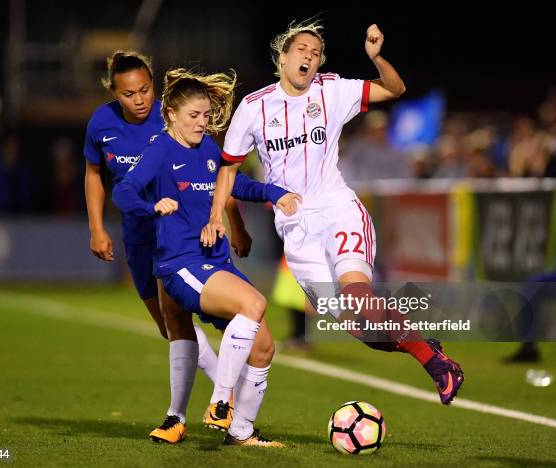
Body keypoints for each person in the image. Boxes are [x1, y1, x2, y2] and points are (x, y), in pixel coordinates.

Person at [204, 20, 465, 405]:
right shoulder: (254, 107)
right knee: (360, 330)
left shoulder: (333, 90)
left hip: (337, 210)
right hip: (295, 229)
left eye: (315, 52)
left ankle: (436, 364)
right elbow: (228, 170)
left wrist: (376, 59)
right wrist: (228, 222)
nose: (309, 57)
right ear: (282, 57)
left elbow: (395, 89)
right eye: (301, 50)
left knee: (359, 298)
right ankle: (423, 344)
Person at [113, 68, 300, 447]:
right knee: (253, 303)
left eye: (205, 116)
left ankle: (241, 432)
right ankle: (219, 403)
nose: (202, 123)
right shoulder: (161, 149)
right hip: (180, 262)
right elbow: (125, 190)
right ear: (171, 116)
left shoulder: (209, 149)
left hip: (214, 260)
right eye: (193, 116)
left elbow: (236, 184)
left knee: (264, 348)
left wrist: (275, 192)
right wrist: (152, 207)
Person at [84, 51, 251, 444]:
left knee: (192, 319)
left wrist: (235, 222)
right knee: (169, 327)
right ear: (114, 92)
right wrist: (96, 227)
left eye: (145, 89)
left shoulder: (175, 116)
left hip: (180, 237)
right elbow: (94, 173)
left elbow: (212, 174)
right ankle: (221, 399)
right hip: (138, 234)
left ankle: (224, 402)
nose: (139, 99)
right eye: (128, 93)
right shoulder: (101, 123)